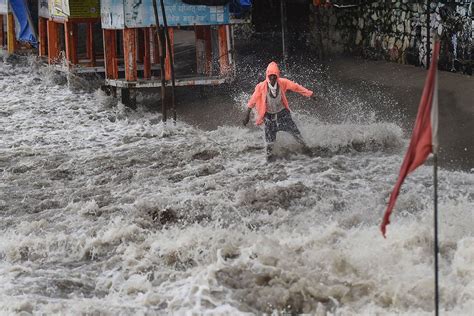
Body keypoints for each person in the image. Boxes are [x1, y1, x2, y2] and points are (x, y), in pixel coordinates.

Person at [243, 61, 317, 161]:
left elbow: (296, 87)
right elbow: (252, 100)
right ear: (267, 75)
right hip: (269, 117)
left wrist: (310, 94)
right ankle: (268, 163)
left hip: (283, 114)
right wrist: (247, 115)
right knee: (270, 143)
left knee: (296, 133)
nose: (272, 78)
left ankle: (308, 151)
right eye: (270, 75)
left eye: (274, 75)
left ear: (277, 75)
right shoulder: (261, 86)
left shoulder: (283, 82)